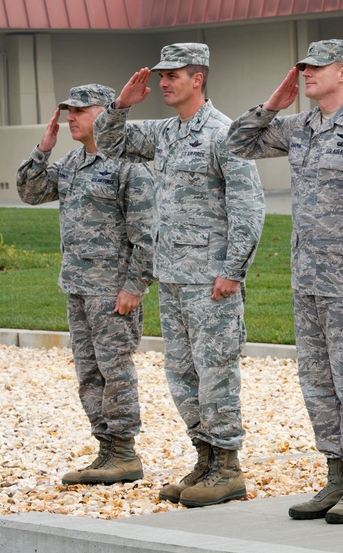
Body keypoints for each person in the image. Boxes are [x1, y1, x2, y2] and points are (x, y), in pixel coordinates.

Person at [227, 39, 343, 524]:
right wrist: (271, 105)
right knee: (317, 384)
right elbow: (236, 144)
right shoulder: (300, 126)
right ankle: (335, 477)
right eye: (302, 67)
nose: (305, 74)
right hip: (307, 277)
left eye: (315, 68)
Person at [95, 43, 266, 507]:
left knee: (215, 372)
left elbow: (248, 205)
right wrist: (120, 106)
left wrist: (233, 270)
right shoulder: (165, 132)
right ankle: (206, 458)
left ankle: (229, 467)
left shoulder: (224, 133)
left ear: (199, 78)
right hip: (172, 276)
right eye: (162, 76)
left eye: (174, 75)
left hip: (211, 280)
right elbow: (109, 142)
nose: (164, 83)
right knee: (181, 373)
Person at [16, 84, 155, 486]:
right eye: (67, 111)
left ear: (106, 112)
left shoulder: (129, 164)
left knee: (116, 370)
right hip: (78, 285)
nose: (70, 118)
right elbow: (31, 191)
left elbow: (147, 233)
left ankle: (125, 451)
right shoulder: (73, 162)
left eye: (78, 111)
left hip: (113, 290)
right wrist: (42, 150)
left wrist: (135, 286)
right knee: (90, 372)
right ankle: (105, 449)